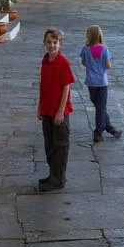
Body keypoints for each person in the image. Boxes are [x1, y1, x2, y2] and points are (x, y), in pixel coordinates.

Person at [36, 27, 75, 192]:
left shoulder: (63, 62)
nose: (51, 45)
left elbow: (66, 88)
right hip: (47, 110)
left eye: (55, 42)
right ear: (45, 43)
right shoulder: (45, 60)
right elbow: (43, 85)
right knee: (49, 145)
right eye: (49, 42)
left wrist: (60, 111)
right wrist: (40, 106)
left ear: (60, 44)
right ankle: (53, 174)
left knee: (60, 146)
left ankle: (58, 179)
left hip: (60, 112)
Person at [80, 25, 122, 143]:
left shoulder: (85, 49)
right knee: (101, 108)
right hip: (102, 82)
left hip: (91, 82)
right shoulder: (104, 49)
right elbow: (108, 66)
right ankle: (98, 133)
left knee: (100, 107)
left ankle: (112, 130)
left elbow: (83, 62)